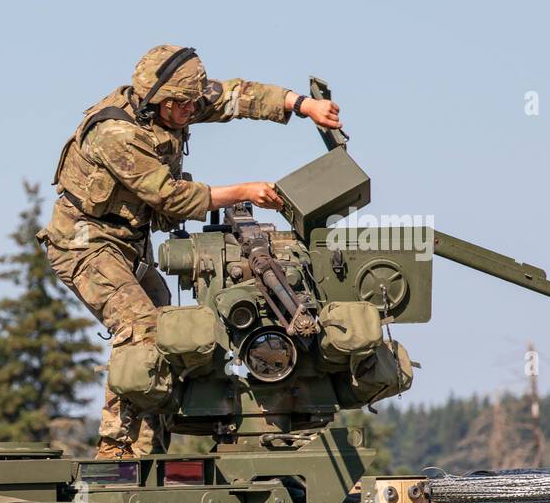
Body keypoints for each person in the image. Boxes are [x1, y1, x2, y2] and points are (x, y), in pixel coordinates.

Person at [39, 45, 343, 458]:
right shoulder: (118, 135)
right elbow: (170, 197)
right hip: (86, 244)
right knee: (141, 330)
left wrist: (302, 104)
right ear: (157, 102)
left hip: (130, 243)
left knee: (170, 329)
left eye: (191, 103)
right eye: (181, 106)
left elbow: (237, 95)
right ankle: (116, 451)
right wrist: (244, 191)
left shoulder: (175, 99)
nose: (189, 111)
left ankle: (150, 446)